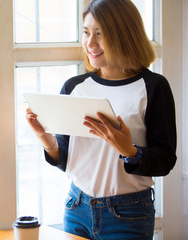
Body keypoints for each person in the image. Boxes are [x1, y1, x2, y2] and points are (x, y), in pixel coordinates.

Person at [25, 0, 177, 239]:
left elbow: (166, 160)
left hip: (127, 213)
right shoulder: (74, 87)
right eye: (86, 32)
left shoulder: (153, 87)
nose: (90, 43)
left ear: (125, 35)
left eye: (100, 34)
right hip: (77, 208)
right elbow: (66, 159)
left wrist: (129, 151)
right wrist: (45, 139)